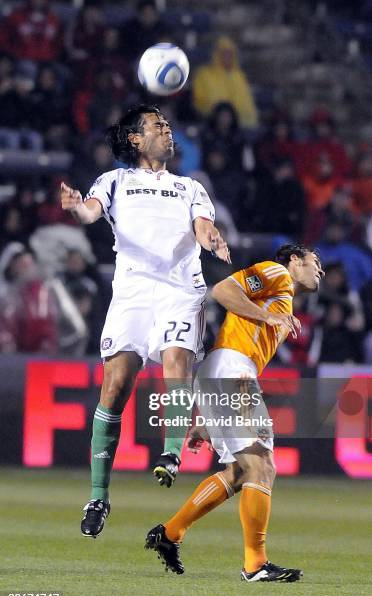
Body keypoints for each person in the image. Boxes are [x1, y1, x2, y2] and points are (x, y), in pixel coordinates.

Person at [60, 104, 230, 537]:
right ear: (135, 138)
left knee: (176, 359)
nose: (168, 131)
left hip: (179, 289)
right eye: (159, 126)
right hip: (133, 291)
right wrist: (77, 208)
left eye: (169, 125)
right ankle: (98, 496)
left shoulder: (190, 186)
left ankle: (171, 452)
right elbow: (91, 212)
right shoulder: (116, 180)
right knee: (115, 387)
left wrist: (211, 239)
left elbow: (202, 225)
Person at [145, 244, 324, 582]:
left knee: (242, 471)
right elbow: (224, 289)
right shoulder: (276, 273)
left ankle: (169, 534)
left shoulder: (283, 304)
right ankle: (255, 565)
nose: (321, 270)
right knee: (261, 463)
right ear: (294, 260)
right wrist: (267, 316)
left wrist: (210, 416)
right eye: (316, 262)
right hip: (230, 369)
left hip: (227, 373)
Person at [192, 36, 259, 129]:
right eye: (224, 53)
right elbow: (199, 102)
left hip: (242, 125)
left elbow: (248, 104)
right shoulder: (204, 74)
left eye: (230, 53)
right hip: (213, 124)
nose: (227, 57)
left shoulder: (239, 76)